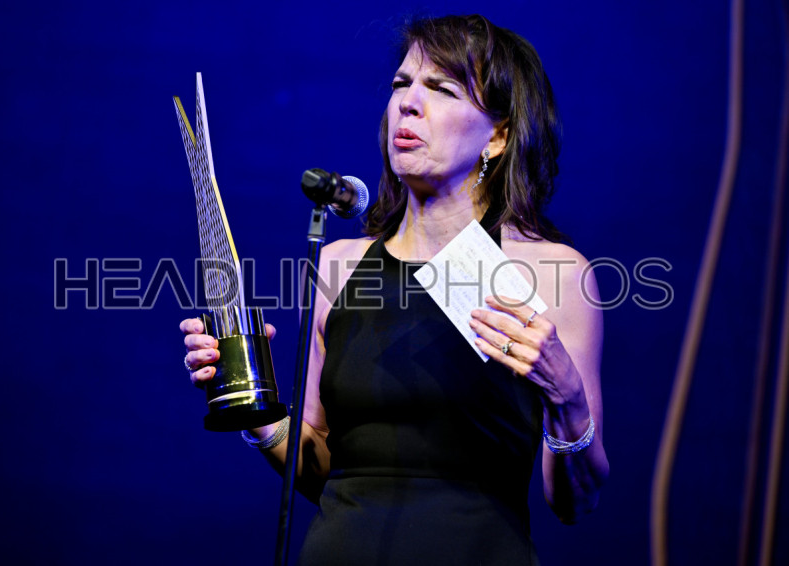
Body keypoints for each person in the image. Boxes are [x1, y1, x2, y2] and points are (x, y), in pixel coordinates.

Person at [182, 14, 609, 565]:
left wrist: (567, 397)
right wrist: (252, 401)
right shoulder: (339, 266)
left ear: (498, 136)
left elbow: (575, 502)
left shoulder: (550, 273)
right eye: (401, 84)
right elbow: (319, 466)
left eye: (442, 89)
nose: (409, 103)